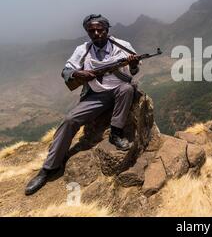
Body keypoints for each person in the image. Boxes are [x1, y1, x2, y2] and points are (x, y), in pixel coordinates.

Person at [25, 14, 140, 196]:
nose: (96, 33)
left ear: (107, 30)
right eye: (91, 30)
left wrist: (133, 64)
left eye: (99, 29)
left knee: (127, 89)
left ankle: (116, 133)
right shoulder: (83, 50)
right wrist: (79, 75)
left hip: (119, 90)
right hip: (96, 94)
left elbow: (134, 70)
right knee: (70, 120)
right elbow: (66, 71)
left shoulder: (122, 46)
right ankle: (49, 168)